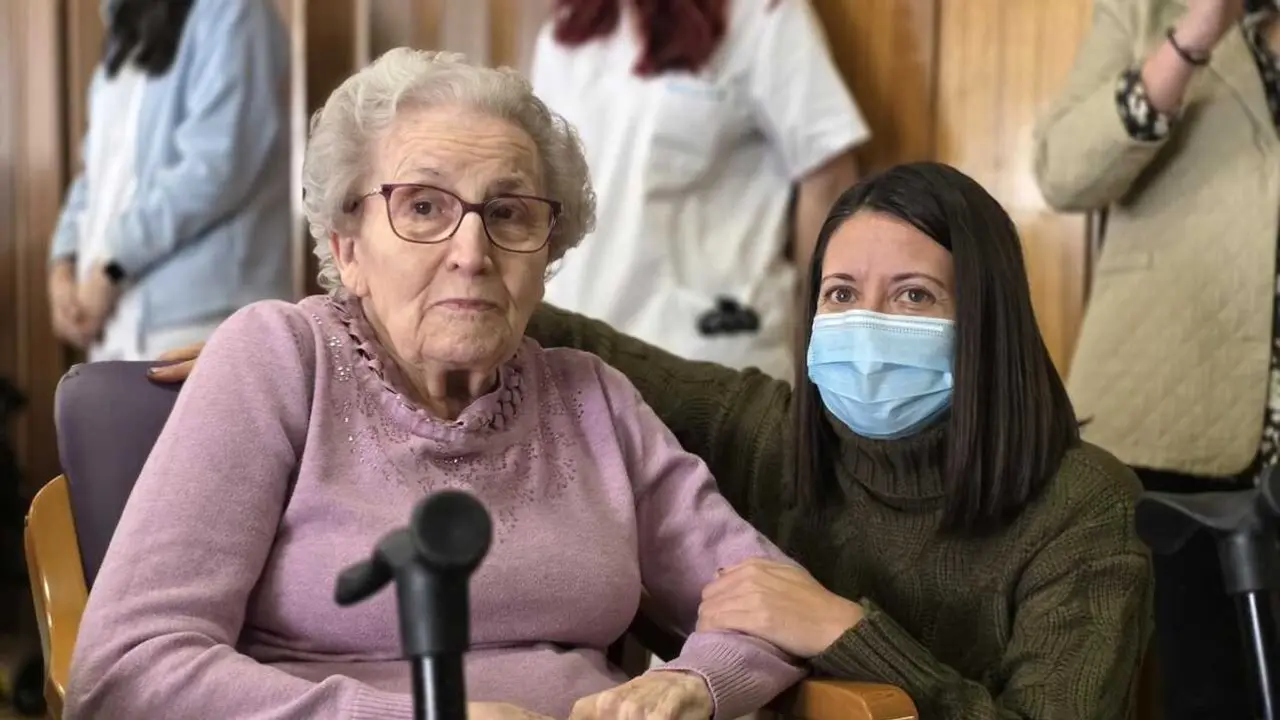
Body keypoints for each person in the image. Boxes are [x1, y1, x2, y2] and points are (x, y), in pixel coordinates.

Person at [154, 162, 1155, 719]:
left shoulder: (1080, 503)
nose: (865, 325)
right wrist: (333, 326)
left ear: (985, 320)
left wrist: (839, 628)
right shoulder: (768, 431)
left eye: (914, 297)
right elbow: (571, 336)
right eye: (840, 296)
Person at [66, 49, 807, 720]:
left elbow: (771, 601)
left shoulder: (593, 398)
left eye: (509, 214)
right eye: (423, 206)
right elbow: (128, 671)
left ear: (546, 257)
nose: (471, 252)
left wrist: (694, 683)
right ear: (347, 246)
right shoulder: (280, 359)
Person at [1033, 0, 1279, 714]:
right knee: (1204, 691)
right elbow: (1063, 173)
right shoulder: (1147, 10)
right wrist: (1195, 33)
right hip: (1176, 413)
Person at [528, 0, 868, 382]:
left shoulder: (761, 16)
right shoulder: (566, 32)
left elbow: (826, 175)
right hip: (577, 348)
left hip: (705, 357)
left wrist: (825, 334)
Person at [45, 0, 293, 362]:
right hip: (115, 321)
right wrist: (63, 264)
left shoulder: (234, 12)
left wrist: (111, 269)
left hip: (202, 320)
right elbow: (95, 173)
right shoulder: (124, 30)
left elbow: (214, 169)